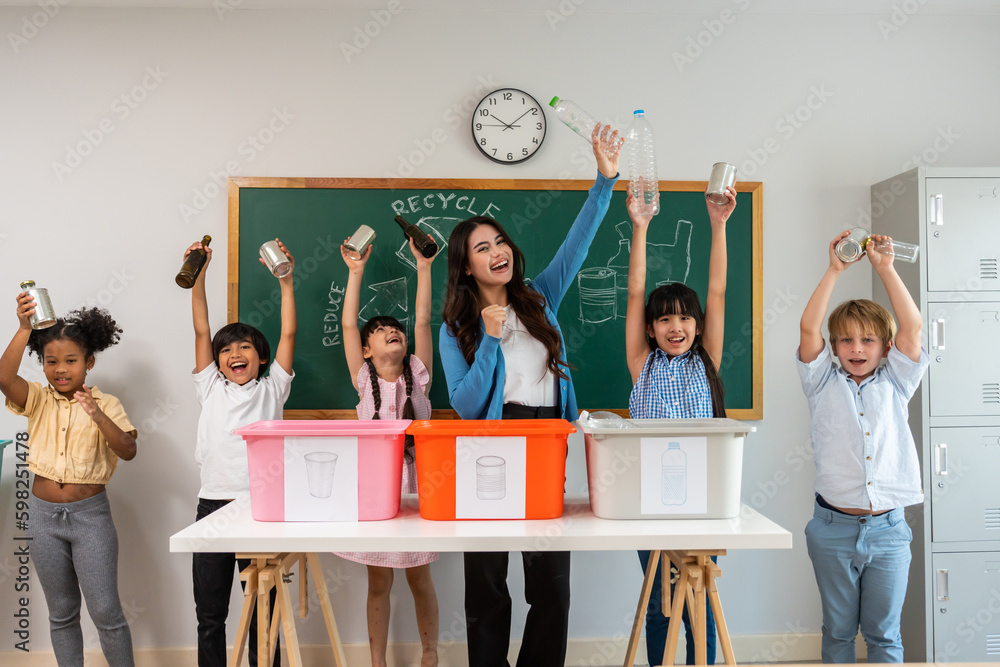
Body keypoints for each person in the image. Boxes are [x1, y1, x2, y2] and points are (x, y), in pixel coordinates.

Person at [439, 123, 621, 667]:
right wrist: (490, 343)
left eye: (499, 241)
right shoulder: (456, 326)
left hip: (546, 441)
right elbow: (468, 405)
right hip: (490, 448)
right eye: (482, 247)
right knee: (489, 583)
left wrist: (604, 179)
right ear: (466, 265)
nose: (497, 251)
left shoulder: (541, 296)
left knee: (552, 583)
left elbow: (579, 240)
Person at [796, 230, 927, 663]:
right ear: (834, 347)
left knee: (884, 636)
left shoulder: (897, 381)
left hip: (889, 531)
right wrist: (835, 269)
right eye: (846, 340)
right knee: (837, 633)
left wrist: (885, 269)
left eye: (867, 340)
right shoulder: (821, 382)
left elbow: (913, 325)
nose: (856, 348)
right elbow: (808, 326)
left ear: (886, 347)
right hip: (832, 529)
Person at [625, 182, 736, 665]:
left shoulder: (705, 360)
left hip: (702, 496)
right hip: (648, 495)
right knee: (658, 602)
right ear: (650, 329)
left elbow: (717, 288)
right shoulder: (641, 363)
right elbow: (634, 289)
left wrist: (718, 224)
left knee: (700, 600)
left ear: (697, 324)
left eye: (685, 319)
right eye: (665, 320)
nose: (676, 327)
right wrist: (641, 227)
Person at [1, 299, 137, 667]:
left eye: (71, 360)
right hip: (43, 519)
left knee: (106, 610)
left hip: (90, 518)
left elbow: (128, 449)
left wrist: (96, 414)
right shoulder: (37, 400)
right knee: (61, 612)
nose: (60, 369)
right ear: (43, 363)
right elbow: (4, 377)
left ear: (89, 362)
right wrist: (25, 327)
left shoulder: (106, 403)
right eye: (51, 361)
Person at [187, 238, 296, 667]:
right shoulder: (210, 386)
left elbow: (289, 331)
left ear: (262, 358)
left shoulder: (274, 388)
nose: (235, 353)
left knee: (263, 613)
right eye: (226, 349)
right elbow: (200, 329)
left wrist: (286, 283)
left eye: (245, 346)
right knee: (210, 613)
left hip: (262, 508)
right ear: (216, 362)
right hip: (213, 506)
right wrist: (198, 276)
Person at [336, 237, 440, 667]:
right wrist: (355, 272)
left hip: (417, 487)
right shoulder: (364, 380)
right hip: (376, 492)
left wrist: (424, 267)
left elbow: (420, 322)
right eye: (377, 332)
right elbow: (346, 328)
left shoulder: (418, 375)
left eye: (391, 329)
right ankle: (376, 661)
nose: (389, 332)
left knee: (420, 578)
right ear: (367, 351)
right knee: (377, 582)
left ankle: (430, 655)